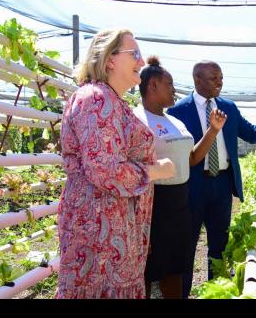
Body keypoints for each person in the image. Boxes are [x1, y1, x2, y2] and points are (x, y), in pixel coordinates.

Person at [56, 29, 176, 299]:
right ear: (110, 59)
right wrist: (158, 170)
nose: (142, 61)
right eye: (134, 53)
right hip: (100, 240)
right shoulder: (96, 99)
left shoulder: (110, 100)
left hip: (112, 234)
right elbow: (106, 171)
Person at [167, 60, 256, 298]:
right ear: (197, 79)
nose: (220, 82)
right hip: (193, 186)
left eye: (221, 77)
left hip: (222, 185)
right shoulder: (178, 112)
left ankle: (216, 293)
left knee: (219, 247)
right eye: (213, 78)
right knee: (187, 248)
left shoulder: (229, 107)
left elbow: (251, 134)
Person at [134, 56, 227, 299]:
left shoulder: (174, 121)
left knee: (178, 265)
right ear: (153, 85)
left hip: (181, 203)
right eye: (169, 84)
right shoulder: (136, 120)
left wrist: (213, 130)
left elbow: (192, 158)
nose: (174, 90)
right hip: (154, 204)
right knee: (149, 270)